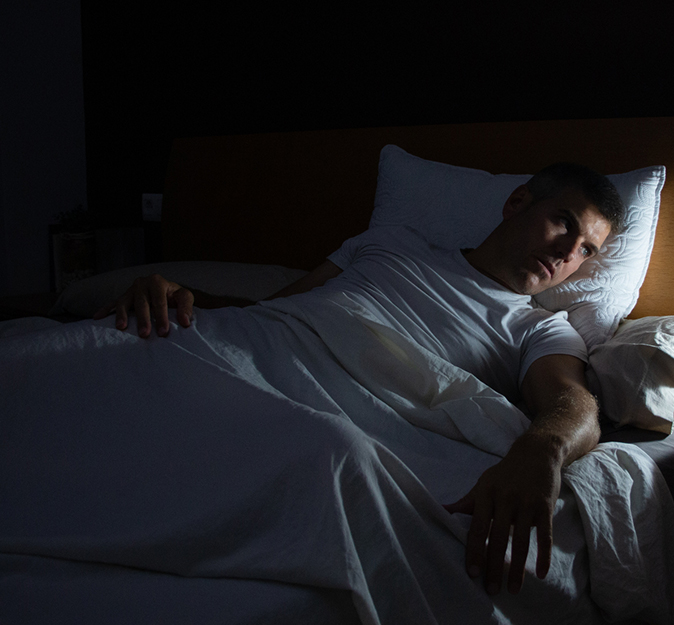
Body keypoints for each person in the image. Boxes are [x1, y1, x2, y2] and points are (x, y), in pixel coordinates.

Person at [95, 163, 625, 598]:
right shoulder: (390, 243)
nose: (566, 253)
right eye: (563, 223)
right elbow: (280, 311)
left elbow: (571, 400)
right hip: (244, 349)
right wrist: (179, 293)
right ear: (517, 204)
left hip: (328, 407)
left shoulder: (538, 327)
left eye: (586, 251)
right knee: (84, 353)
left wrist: (543, 449)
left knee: (332, 449)